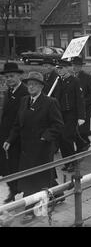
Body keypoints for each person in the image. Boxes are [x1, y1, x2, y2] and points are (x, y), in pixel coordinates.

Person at [3, 72, 64, 222]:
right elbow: (17, 124)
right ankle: (57, 194)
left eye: (35, 84)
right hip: (26, 149)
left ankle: (30, 210)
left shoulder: (50, 102)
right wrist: (9, 140)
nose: (31, 87)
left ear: (41, 87)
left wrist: (45, 136)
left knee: (35, 180)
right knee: (32, 178)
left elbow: (58, 125)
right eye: (29, 84)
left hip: (42, 149)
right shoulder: (24, 101)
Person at [0, 63, 29, 203]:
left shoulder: (24, 92)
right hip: (8, 136)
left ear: (19, 76)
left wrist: (12, 137)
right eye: (6, 77)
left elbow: (21, 118)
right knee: (8, 165)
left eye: (12, 76)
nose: (9, 79)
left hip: (21, 137)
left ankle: (55, 192)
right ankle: (13, 190)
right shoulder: (8, 92)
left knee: (24, 165)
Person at [56, 60, 86, 172]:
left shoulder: (74, 81)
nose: (60, 70)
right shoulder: (58, 81)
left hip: (71, 114)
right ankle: (67, 162)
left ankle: (73, 162)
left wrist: (81, 116)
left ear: (68, 68)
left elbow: (80, 99)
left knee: (67, 137)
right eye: (58, 68)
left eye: (62, 68)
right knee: (61, 138)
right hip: (60, 114)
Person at [71, 57, 91, 153]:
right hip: (74, 109)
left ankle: (83, 145)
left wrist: (83, 103)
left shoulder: (87, 77)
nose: (74, 67)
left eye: (77, 66)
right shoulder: (71, 77)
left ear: (81, 66)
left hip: (84, 109)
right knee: (75, 129)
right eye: (73, 65)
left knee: (83, 130)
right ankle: (82, 145)